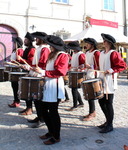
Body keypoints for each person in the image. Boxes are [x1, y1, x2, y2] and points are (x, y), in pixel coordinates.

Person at [34, 35, 69, 145]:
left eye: (51, 45)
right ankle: (50, 131)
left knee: (53, 112)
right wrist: (35, 69)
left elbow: (61, 72)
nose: (49, 46)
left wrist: (43, 73)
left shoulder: (62, 55)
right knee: (44, 110)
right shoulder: (52, 54)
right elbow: (47, 68)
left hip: (55, 86)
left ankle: (56, 136)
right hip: (48, 85)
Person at [98, 33, 127, 133]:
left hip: (110, 80)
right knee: (101, 101)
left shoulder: (113, 53)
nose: (103, 42)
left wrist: (111, 70)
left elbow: (123, 66)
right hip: (101, 79)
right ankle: (107, 121)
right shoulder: (102, 53)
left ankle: (110, 124)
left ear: (109, 43)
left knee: (108, 103)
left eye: (105, 40)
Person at [26, 31, 50, 128]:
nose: (35, 40)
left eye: (37, 38)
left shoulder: (45, 49)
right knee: (35, 98)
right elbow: (34, 62)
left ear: (42, 39)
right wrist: (29, 67)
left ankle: (42, 119)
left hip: (40, 75)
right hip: (36, 73)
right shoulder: (38, 48)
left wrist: (35, 68)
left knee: (39, 99)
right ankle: (39, 116)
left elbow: (43, 63)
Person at [82, 38, 100, 121]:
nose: (86, 45)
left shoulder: (96, 53)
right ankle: (91, 111)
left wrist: (91, 67)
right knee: (89, 94)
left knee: (92, 95)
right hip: (88, 74)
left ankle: (92, 112)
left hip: (93, 75)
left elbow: (99, 65)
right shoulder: (87, 52)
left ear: (92, 45)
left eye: (88, 44)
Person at [17, 32, 35, 115]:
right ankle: (28, 107)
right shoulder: (27, 49)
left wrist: (20, 60)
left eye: (26, 39)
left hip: (29, 71)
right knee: (25, 90)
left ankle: (29, 109)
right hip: (25, 70)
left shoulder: (32, 49)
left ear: (30, 40)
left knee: (28, 90)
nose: (24, 41)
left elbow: (31, 62)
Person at [66, 41, 85, 111]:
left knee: (74, 89)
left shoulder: (81, 54)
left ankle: (75, 105)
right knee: (74, 89)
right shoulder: (74, 53)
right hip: (73, 72)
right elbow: (72, 63)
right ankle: (80, 102)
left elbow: (83, 64)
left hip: (78, 73)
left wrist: (80, 68)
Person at [8, 37, 24, 108]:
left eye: (14, 43)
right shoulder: (15, 50)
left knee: (16, 86)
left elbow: (20, 61)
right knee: (14, 86)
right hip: (13, 70)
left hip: (17, 71)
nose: (13, 44)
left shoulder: (20, 50)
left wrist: (18, 60)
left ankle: (17, 101)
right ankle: (15, 100)